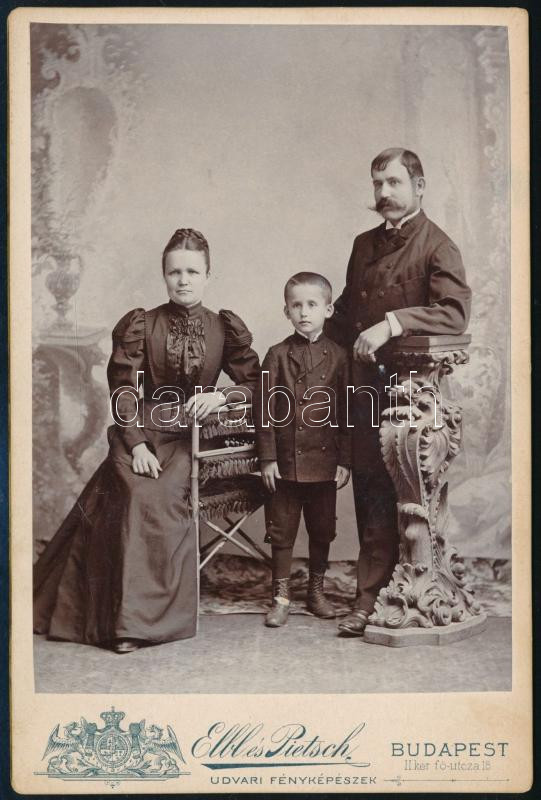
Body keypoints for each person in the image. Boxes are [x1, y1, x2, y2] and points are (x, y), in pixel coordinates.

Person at [33, 228, 261, 653]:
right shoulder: (143, 323)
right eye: (175, 272)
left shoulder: (223, 328)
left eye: (192, 271)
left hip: (195, 438)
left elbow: (255, 384)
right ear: (164, 275)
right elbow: (122, 390)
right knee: (128, 488)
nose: (183, 280)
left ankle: (139, 623)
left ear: (208, 275)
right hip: (141, 430)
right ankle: (115, 618)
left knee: (155, 497)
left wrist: (220, 396)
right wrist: (136, 444)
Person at [326, 148, 472, 636]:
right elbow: (346, 314)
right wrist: (306, 338)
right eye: (377, 184)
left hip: (413, 394)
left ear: (419, 187)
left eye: (393, 182)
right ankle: (369, 599)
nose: (384, 193)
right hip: (366, 389)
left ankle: (419, 593)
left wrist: (392, 323)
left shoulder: (438, 245)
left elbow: (454, 313)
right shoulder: (363, 245)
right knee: (369, 491)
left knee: (409, 498)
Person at [254, 272, 351, 627]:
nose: (304, 312)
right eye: (296, 305)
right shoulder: (277, 355)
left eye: (312, 304)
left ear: (328, 309)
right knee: (281, 530)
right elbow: (263, 411)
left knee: (322, 529)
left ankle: (316, 592)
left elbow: (348, 413)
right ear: (286, 311)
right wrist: (267, 458)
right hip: (285, 462)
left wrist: (345, 460)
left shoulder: (340, 357)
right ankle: (280, 598)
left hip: (324, 461)